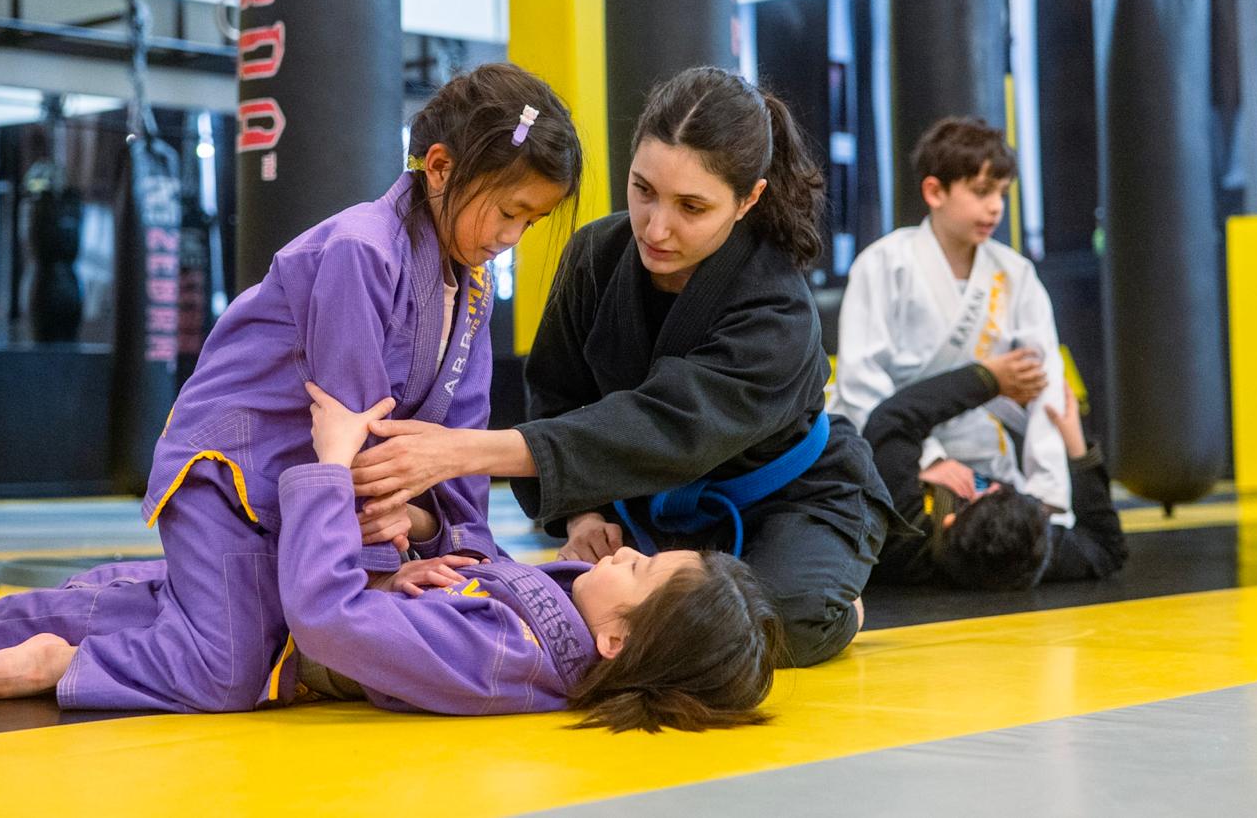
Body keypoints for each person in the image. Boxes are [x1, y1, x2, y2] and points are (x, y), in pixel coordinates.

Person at [0, 62, 583, 714]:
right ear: (439, 166)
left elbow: (455, 457)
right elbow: (348, 428)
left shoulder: (468, 288)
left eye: (530, 223)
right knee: (227, 670)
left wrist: (436, 534)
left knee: (234, 635)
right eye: (506, 210)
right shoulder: (363, 254)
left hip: (321, 499)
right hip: (238, 475)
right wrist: (373, 574)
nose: (509, 238)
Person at [0, 385, 784, 733]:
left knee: (94, 607)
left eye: (643, 572)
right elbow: (454, 594)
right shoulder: (551, 627)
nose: (631, 554)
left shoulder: (510, 662)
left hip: (271, 639)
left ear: (616, 638)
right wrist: (432, 549)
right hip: (264, 620)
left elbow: (336, 624)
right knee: (88, 597)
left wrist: (331, 469)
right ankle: (45, 660)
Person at [351, 66, 899, 668]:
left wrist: (464, 450)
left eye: (692, 207)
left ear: (749, 200)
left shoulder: (778, 307)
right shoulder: (597, 255)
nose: (656, 228)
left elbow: (659, 425)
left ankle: (834, 598)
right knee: (613, 621)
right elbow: (557, 397)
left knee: (762, 630)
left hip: (793, 496)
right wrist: (584, 512)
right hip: (653, 520)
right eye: (643, 190)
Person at [831, 116, 1074, 525]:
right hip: (884, 453)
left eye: (1001, 193)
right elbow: (859, 382)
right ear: (934, 191)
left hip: (977, 452)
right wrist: (927, 458)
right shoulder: (884, 265)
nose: (995, 206)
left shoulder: (1015, 275)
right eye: (981, 192)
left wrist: (1047, 496)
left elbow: (1043, 385)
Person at [865, 368, 1127, 589]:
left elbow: (891, 419)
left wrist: (988, 379)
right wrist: (1078, 449)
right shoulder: (1029, 552)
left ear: (949, 520)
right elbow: (1107, 547)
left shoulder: (901, 516)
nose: (978, 480)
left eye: (980, 487)